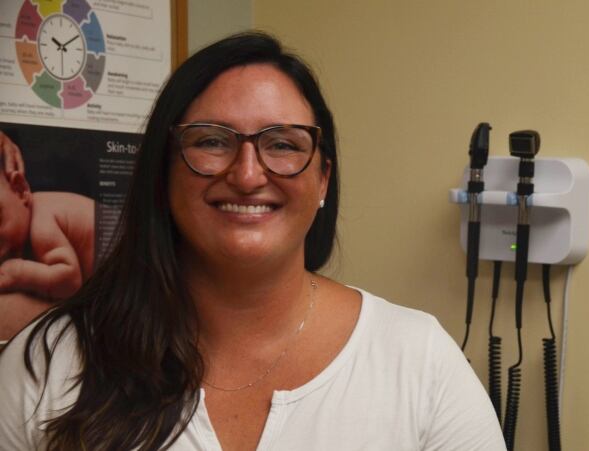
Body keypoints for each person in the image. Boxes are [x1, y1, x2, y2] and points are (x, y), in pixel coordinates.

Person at [0, 32, 505, 450]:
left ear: (323, 179)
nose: (247, 175)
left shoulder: (418, 361)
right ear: (163, 171)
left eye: (282, 144)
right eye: (212, 141)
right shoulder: (49, 364)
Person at [0, 132, 95, 342]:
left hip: (138, 259)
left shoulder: (41, 225)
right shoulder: (26, 223)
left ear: (20, 189)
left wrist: (19, 274)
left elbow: (70, 282)